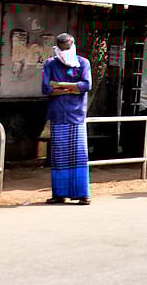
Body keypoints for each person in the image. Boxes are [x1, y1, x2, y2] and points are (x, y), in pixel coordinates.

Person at [42, 33, 93, 205]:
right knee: (59, 157)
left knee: (79, 155)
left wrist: (60, 85)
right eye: (61, 47)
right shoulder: (50, 63)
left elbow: (86, 85)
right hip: (58, 115)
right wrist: (73, 88)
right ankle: (59, 194)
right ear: (57, 47)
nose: (64, 50)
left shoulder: (83, 62)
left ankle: (83, 194)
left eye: (67, 47)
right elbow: (46, 88)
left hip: (77, 115)